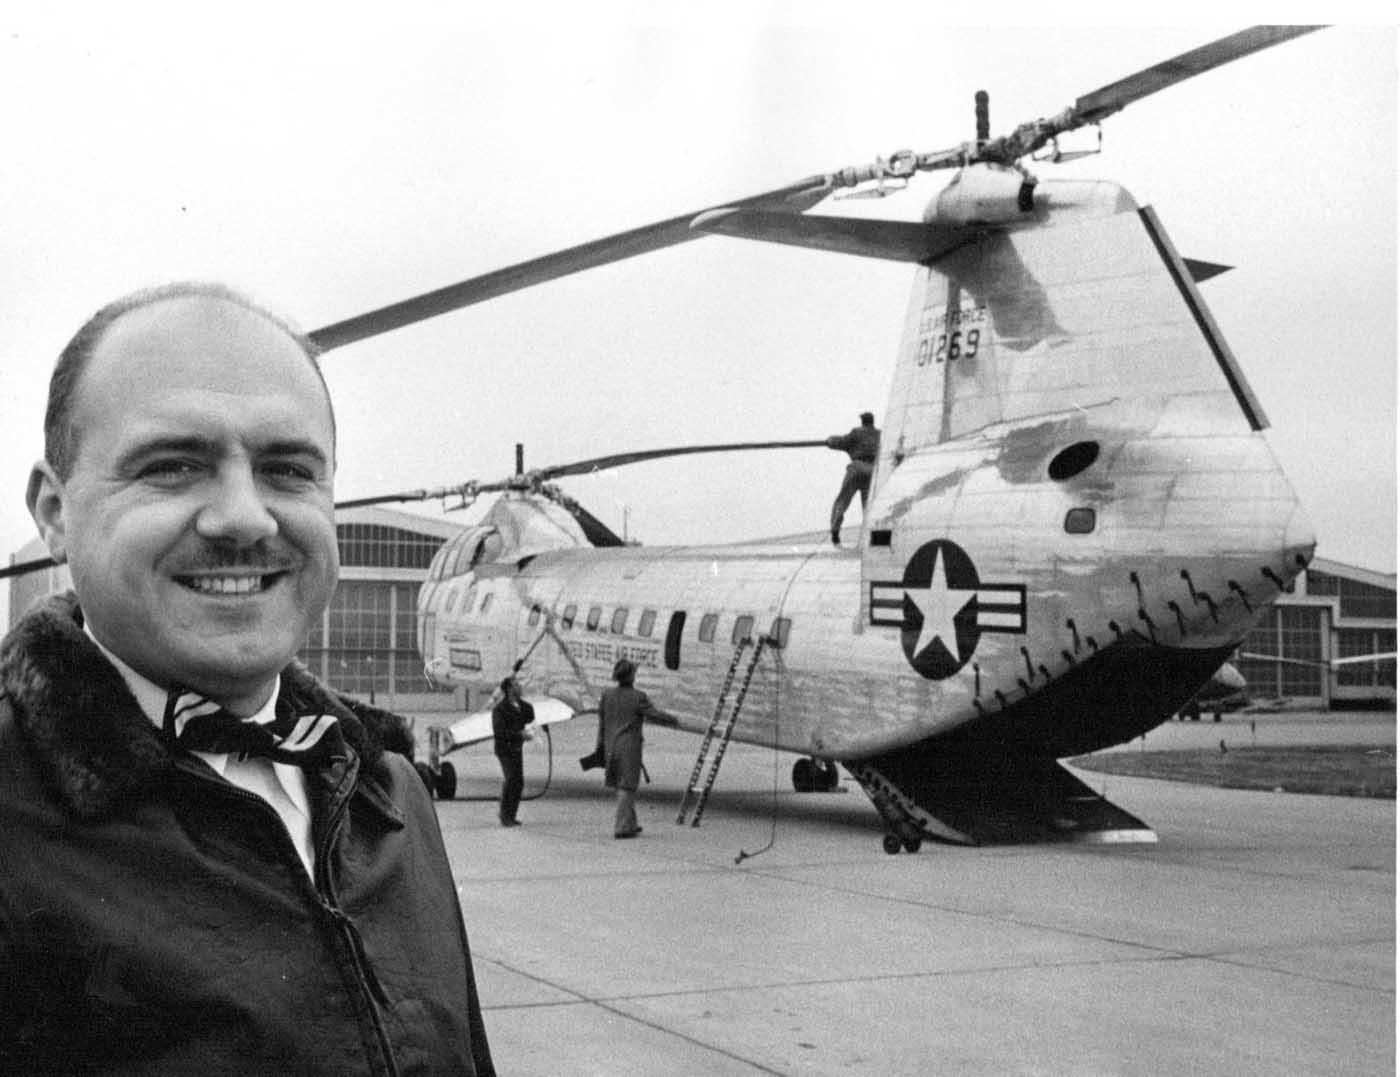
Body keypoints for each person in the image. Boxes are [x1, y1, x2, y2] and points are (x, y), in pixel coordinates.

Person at [0, 282, 495, 1074]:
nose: (245, 516)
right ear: (54, 512)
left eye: (288, 470)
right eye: (171, 467)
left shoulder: (389, 792)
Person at [595, 658, 670, 839]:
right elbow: (654, 714)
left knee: (621, 786)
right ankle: (622, 827)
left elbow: (602, 721)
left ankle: (631, 822)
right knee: (627, 787)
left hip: (610, 745)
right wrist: (673, 719)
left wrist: (599, 745)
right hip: (629, 747)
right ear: (631, 676)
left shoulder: (607, 695)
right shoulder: (638, 696)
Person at [825, 410, 880, 545]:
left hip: (857, 468)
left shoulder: (856, 433)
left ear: (862, 422)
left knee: (843, 500)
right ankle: (872, 534)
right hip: (873, 471)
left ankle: (835, 530)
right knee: (869, 507)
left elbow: (841, 442)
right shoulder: (880, 435)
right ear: (872, 421)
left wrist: (829, 441)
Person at [491, 676, 535, 826]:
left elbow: (530, 714)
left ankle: (512, 814)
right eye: (516, 685)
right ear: (509, 689)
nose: (520, 687)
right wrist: (520, 735)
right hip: (505, 749)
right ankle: (505, 815)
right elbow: (500, 733)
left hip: (516, 749)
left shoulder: (521, 706)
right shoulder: (499, 710)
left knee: (519, 782)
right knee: (511, 780)